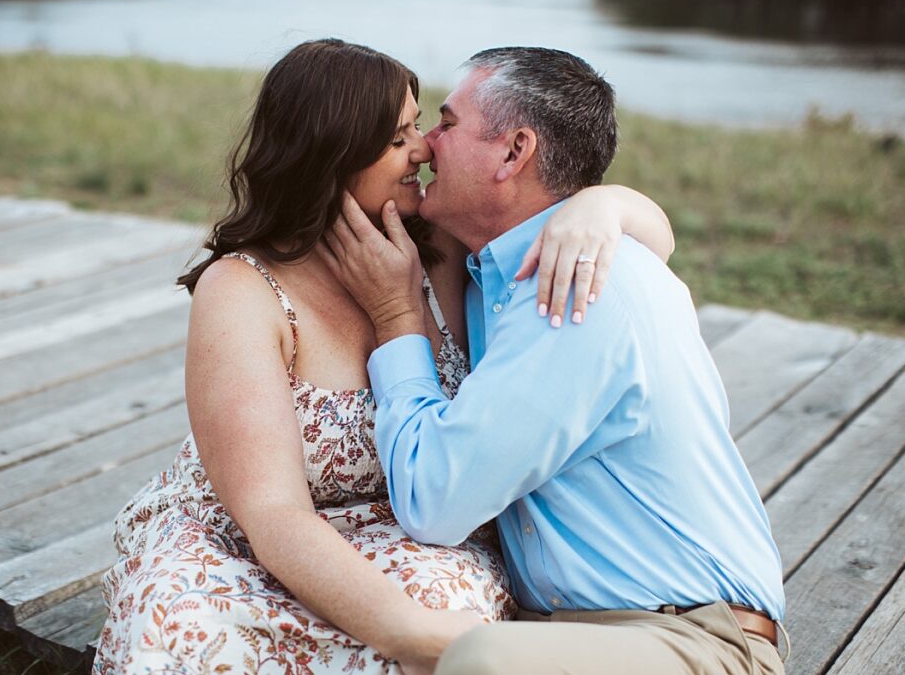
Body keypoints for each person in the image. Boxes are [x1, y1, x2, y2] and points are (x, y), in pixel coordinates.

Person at [93, 39, 675, 675]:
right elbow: (272, 514)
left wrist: (604, 204)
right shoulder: (242, 289)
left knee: (449, 602)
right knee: (183, 628)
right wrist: (411, 633)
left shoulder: (442, 247)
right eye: (400, 137)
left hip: (412, 535)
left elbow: (657, 239)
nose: (424, 148)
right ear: (333, 154)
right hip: (248, 539)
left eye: (422, 124)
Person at [322, 47, 787, 675]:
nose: (428, 145)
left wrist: (397, 320)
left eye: (447, 123)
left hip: (688, 639)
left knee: (476, 659)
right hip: (584, 634)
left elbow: (435, 501)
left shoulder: (576, 289)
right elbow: (656, 232)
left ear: (514, 152)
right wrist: (614, 203)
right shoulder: (498, 267)